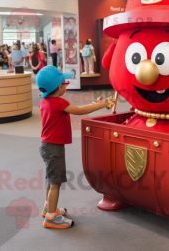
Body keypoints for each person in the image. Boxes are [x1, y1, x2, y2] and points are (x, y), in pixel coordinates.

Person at [36, 66, 114, 229]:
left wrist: (93, 102)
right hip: (54, 148)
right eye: (65, 82)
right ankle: (51, 217)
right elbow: (79, 110)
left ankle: (47, 208)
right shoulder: (59, 102)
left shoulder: (45, 100)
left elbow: (76, 109)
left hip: (46, 146)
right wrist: (101, 104)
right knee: (56, 182)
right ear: (59, 87)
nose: (67, 85)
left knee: (50, 180)